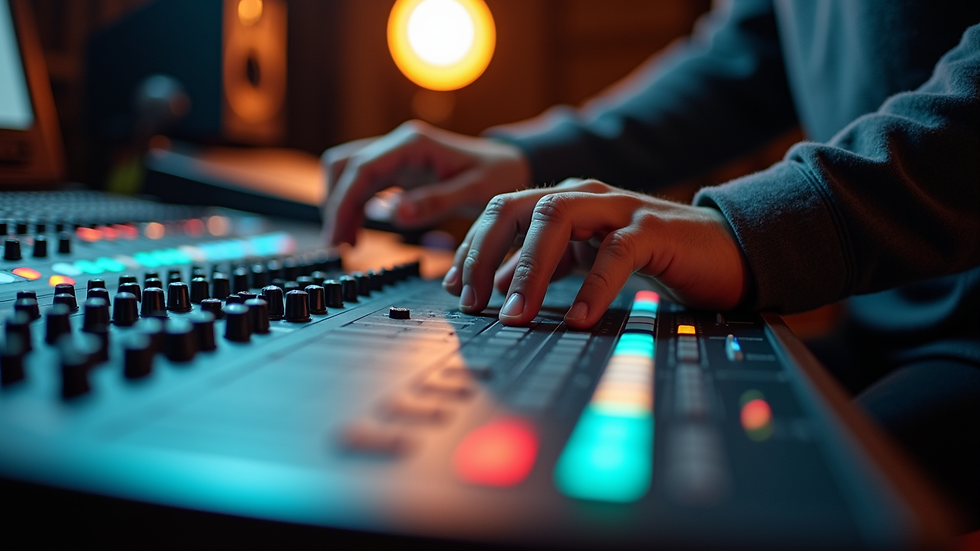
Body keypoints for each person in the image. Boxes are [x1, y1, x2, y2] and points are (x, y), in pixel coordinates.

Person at [321, 0, 980, 528]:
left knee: (799, 503)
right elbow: (748, 56)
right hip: (883, 325)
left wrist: (741, 227)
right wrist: (528, 159)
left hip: (967, 343)